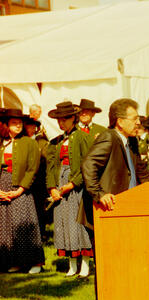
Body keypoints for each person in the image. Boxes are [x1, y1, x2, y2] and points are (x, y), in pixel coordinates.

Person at [80, 98, 149, 220]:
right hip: (108, 211)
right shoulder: (109, 137)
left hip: (129, 207)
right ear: (120, 122)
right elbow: (88, 165)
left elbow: (142, 173)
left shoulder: (132, 140)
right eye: (134, 119)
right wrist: (99, 194)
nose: (139, 122)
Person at [47, 101, 93, 278]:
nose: (61, 123)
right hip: (60, 186)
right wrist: (52, 188)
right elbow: (51, 167)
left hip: (76, 188)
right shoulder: (56, 142)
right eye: (59, 120)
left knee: (78, 224)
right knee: (64, 224)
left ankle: (85, 265)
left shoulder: (83, 137)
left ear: (73, 118)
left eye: (65, 119)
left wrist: (72, 184)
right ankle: (72, 264)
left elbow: (86, 165)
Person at [0, 109, 44, 273]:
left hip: (21, 188)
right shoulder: (1, 142)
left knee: (24, 224)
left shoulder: (29, 143)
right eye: (14, 123)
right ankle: (15, 262)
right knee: (6, 226)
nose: (18, 125)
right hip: (2, 187)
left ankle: (35, 263)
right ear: (7, 125)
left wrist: (20, 190)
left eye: (20, 123)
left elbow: (33, 169)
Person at [24, 116, 49, 240]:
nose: (31, 128)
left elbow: (46, 160)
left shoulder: (41, 142)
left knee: (39, 207)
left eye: (33, 126)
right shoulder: (19, 141)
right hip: (22, 182)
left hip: (38, 182)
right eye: (29, 125)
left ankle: (41, 233)